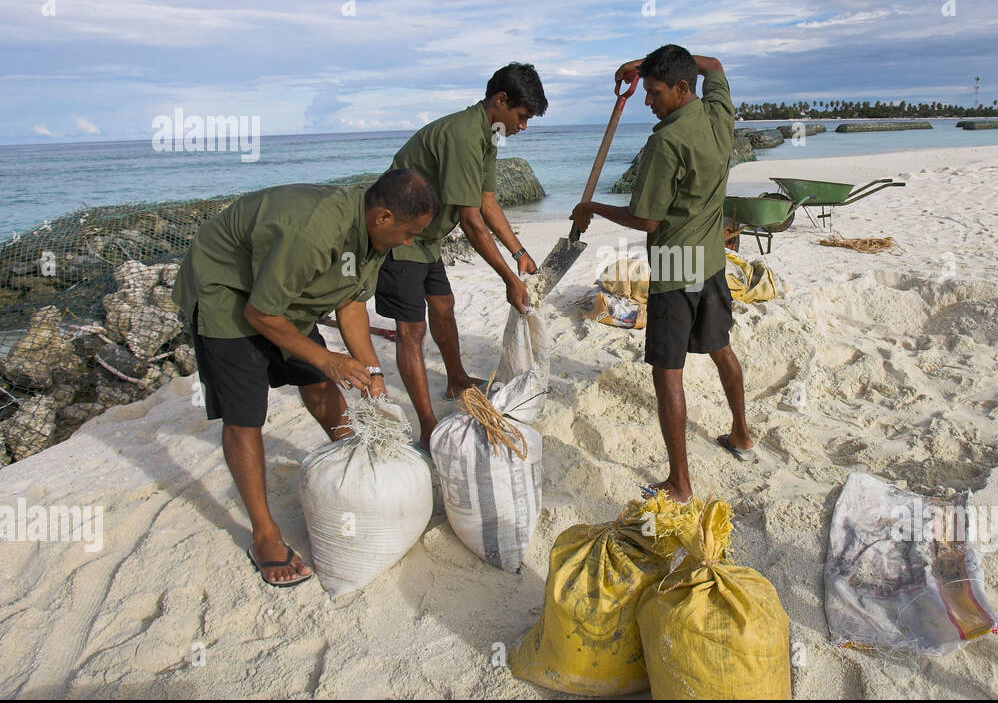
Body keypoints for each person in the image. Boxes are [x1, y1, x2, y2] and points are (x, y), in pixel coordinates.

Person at [173, 169, 436, 587]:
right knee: (245, 416)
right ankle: (264, 536)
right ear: (383, 216)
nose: (410, 243)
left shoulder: (374, 231)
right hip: (226, 290)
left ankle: (359, 469)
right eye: (408, 233)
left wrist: (372, 373)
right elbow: (259, 314)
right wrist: (329, 359)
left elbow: (351, 304)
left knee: (317, 381)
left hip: (280, 296)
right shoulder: (315, 231)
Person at [571, 45, 755, 502]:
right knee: (720, 347)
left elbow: (647, 220)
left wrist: (591, 206)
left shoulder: (666, 142)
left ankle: (679, 483)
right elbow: (713, 65)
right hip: (712, 258)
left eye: (653, 93)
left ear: (680, 89)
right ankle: (742, 434)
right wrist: (642, 63)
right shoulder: (717, 113)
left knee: (667, 373)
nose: (647, 102)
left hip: (677, 265)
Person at [378, 63, 547, 451]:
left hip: (427, 236)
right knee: (411, 331)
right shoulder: (463, 136)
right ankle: (426, 424)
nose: (523, 126)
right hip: (398, 236)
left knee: (444, 304)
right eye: (521, 116)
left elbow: (487, 202)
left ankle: (456, 379)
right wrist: (509, 279)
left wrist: (519, 252)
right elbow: (471, 223)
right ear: (500, 100)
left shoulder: (488, 136)